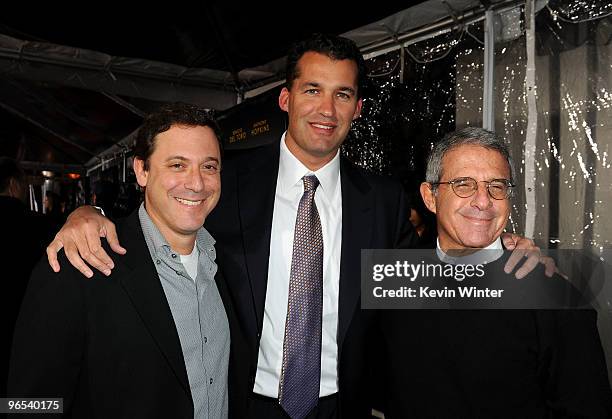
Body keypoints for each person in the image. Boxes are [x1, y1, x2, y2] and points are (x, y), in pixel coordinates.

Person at [44, 35, 546, 418]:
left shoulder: (385, 201)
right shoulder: (225, 182)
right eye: (312, 90)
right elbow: (167, 215)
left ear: (358, 108)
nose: (326, 110)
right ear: (285, 99)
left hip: (341, 407)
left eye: (342, 94)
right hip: (244, 404)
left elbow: (424, 283)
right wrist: (91, 214)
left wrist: (499, 251)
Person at [8, 103, 239, 419]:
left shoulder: (228, 266)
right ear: (141, 170)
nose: (197, 183)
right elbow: (25, 406)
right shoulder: (81, 263)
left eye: (209, 167)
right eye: (177, 165)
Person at [380, 127, 612, 418]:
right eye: (463, 184)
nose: (482, 201)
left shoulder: (555, 299)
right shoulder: (395, 276)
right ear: (431, 197)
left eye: (496, 186)